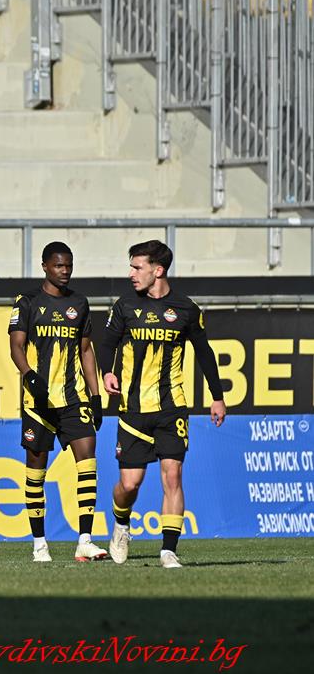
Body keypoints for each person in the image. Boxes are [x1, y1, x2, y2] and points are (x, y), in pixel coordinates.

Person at [99, 240, 225, 569]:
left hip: (172, 408)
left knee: (173, 476)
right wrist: (107, 372)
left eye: (137, 267)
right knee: (130, 484)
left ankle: (168, 550)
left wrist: (217, 396)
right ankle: (121, 523)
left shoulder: (186, 309)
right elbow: (107, 344)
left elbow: (205, 353)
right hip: (133, 410)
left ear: (158, 270)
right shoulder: (125, 306)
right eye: (131, 267)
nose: (131, 274)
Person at [8, 241, 107, 563]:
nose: (65, 271)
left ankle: (85, 540)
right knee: (36, 473)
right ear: (45, 267)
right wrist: (29, 375)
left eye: (69, 265)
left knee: (88, 460)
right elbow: (16, 346)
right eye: (59, 265)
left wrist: (95, 395)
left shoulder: (79, 303)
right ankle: (39, 543)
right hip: (38, 402)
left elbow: (86, 350)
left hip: (74, 398)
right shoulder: (27, 302)